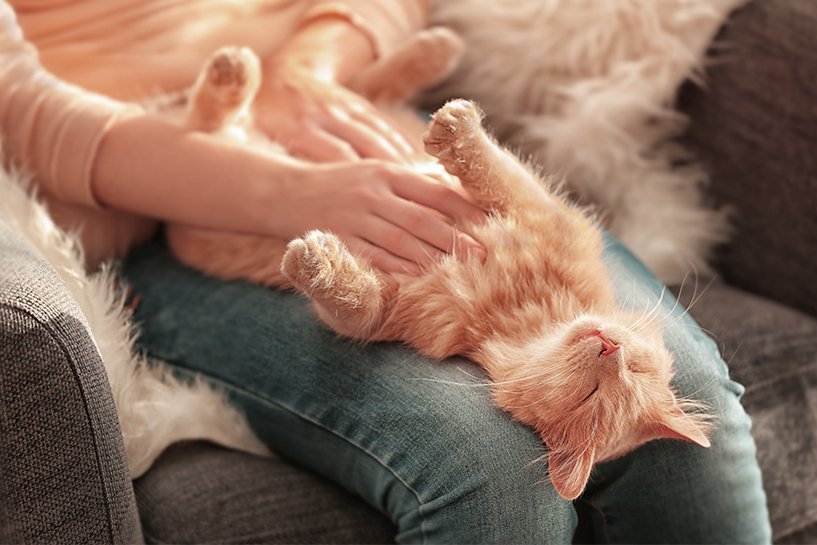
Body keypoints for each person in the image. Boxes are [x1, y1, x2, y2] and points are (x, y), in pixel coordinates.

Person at [0, 1, 771, 543]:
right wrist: (289, 191)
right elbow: (17, 107)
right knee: (490, 471)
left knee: (682, 411)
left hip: (344, 112)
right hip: (164, 211)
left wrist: (306, 71)